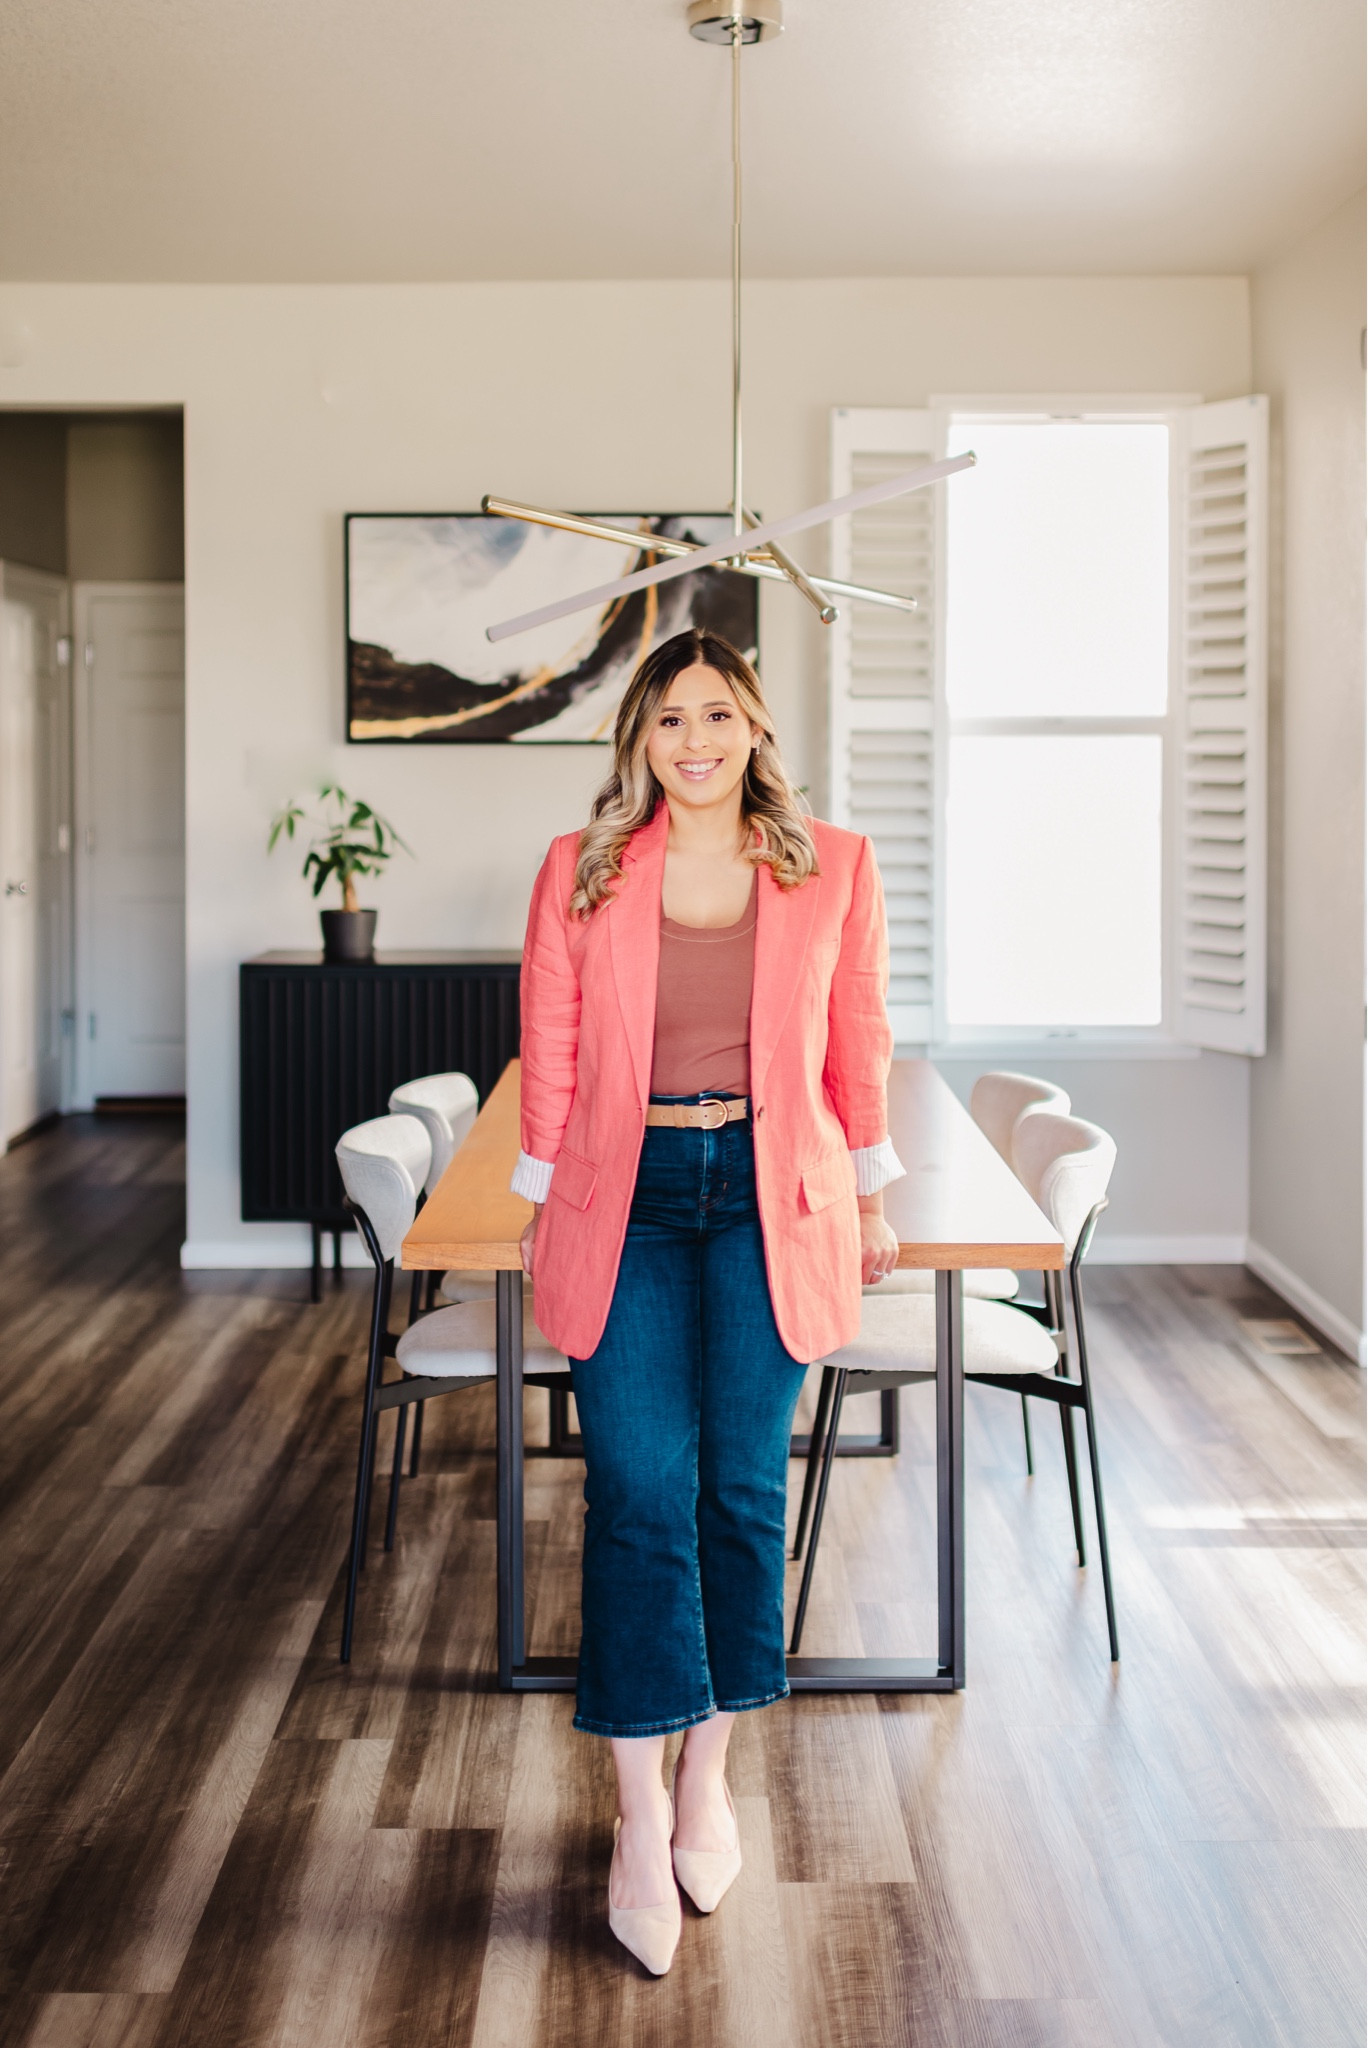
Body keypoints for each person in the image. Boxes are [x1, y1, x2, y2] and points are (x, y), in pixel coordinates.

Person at [514, 627, 903, 1975]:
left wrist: (869, 1190)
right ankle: (632, 1817)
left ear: (755, 731)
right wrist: (537, 1196)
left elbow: (859, 1042)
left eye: (720, 716)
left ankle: (707, 1777)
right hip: (622, 1199)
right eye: (671, 718)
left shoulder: (832, 867)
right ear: (640, 735)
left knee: (741, 1490)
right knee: (632, 1491)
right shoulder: (582, 871)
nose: (695, 740)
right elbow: (550, 1049)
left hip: (767, 1194)